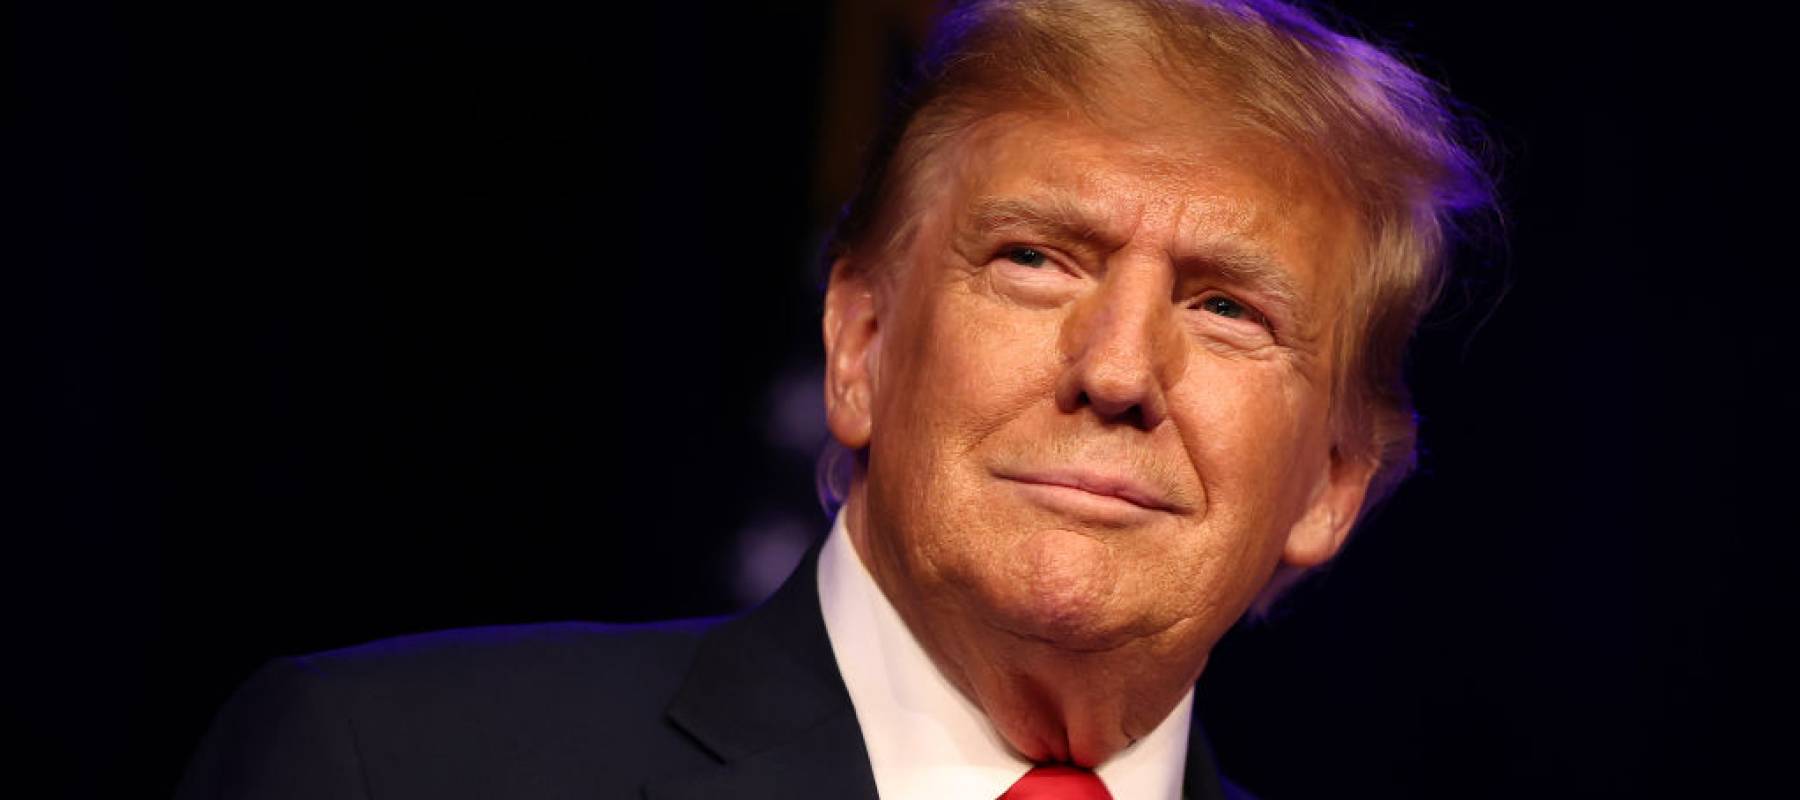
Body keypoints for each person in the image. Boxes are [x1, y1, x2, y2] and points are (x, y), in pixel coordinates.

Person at [176, 1, 1490, 797]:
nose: (1118, 371)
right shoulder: (387, 771)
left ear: (1332, 481)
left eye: (1227, 308)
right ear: (857, 346)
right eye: (1035, 260)